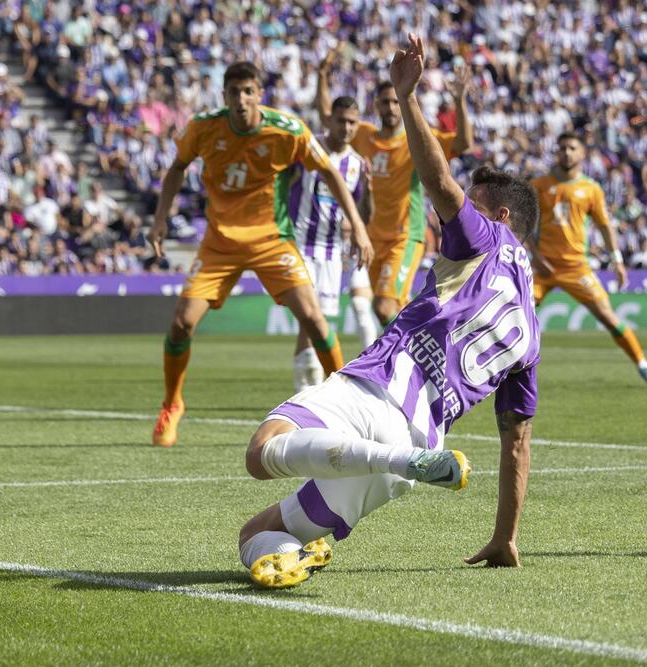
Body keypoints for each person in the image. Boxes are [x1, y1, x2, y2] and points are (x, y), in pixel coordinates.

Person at [237, 34, 540, 589]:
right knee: (256, 535)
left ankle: (395, 461)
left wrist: (407, 99)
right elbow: (516, 444)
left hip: (377, 389)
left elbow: (441, 183)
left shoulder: (487, 237)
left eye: (473, 208)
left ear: (500, 215)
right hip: (424, 436)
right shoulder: (530, 336)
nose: (459, 216)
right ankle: (301, 548)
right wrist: (505, 535)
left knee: (260, 454)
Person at [147, 62, 372, 447]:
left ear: (259, 95)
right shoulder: (204, 128)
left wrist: (359, 224)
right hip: (220, 242)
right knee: (182, 322)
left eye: (248, 91)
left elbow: (331, 172)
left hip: (272, 240)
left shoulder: (287, 131)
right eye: (234, 92)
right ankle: (172, 404)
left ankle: (348, 408)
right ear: (224, 96)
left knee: (316, 321)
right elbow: (177, 167)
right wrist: (160, 218)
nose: (241, 100)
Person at [318, 47, 474, 327]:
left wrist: (460, 100)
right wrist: (321, 75)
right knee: (395, 306)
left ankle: (410, 353)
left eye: (394, 102)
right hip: (373, 237)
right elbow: (328, 119)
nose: (390, 108)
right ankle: (423, 350)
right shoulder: (364, 135)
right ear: (376, 105)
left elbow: (463, 144)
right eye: (384, 102)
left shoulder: (417, 140)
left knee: (384, 305)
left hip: (405, 235)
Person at [529, 133, 647, 390]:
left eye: (572, 148)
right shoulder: (539, 185)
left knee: (608, 317)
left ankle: (643, 364)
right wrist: (536, 258)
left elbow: (605, 226)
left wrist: (617, 260)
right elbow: (524, 226)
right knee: (514, 314)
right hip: (541, 268)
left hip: (577, 267)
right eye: (562, 148)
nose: (567, 152)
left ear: (582, 154)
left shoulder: (591, 189)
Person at [289, 91, 376, 391]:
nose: (347, 128)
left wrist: (368, 189)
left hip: (331, 251)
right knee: (312, 318)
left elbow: (362, 215)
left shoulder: (355, 164)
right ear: (330, 120)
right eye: (342, 121)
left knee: (321, 319)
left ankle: (308, 387)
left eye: (353, 123)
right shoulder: (308, 149)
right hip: (300, 244)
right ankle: (305, 389)